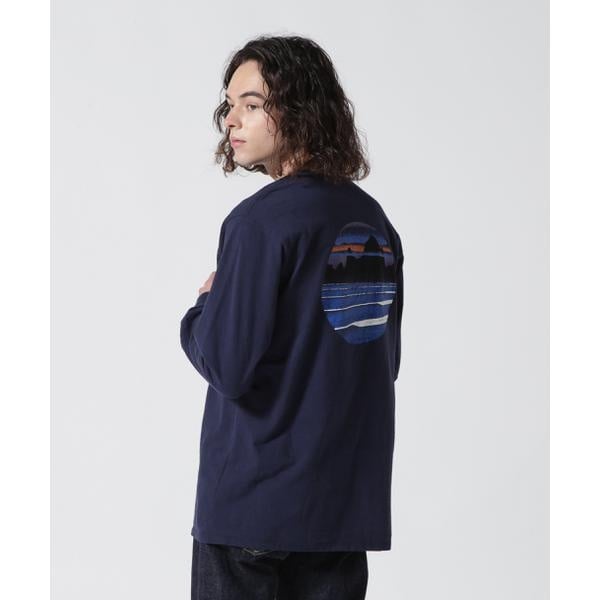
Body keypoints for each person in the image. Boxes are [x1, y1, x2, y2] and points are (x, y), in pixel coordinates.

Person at [180, 34, 404, 600]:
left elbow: (228, 367)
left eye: (252, 104)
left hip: (253, 505)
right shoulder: (373, 221)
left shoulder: (258, 223)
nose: (232, 120)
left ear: (301, 111)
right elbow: (380, 361)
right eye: (229, 105)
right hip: (340, 509)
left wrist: (204, 308)